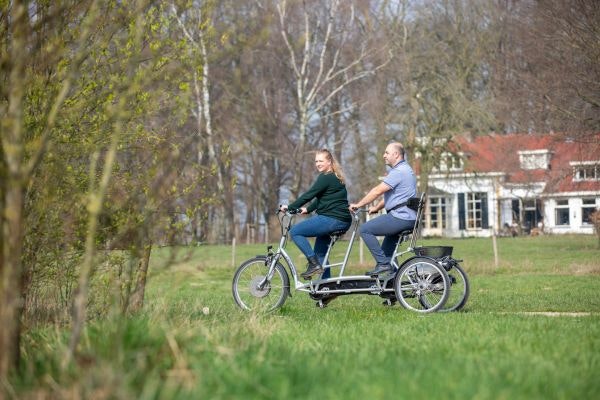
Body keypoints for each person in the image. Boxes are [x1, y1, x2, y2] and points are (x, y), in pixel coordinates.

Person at [280, 149, 352, 279]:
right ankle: (327, 289)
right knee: (320, 254)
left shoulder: (326, 177)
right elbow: (323, 198)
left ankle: (313, 264)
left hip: (332, 219)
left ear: (329, 162)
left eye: (321, 161)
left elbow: (310, 194)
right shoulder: (334, 176)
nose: (318, 164)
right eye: (316, 161)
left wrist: (290, 207)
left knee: (295, 231)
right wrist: (308, 209)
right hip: (341, 220)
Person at [349, 142, 417, 276]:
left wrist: (359, 204)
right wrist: (376, 207)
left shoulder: (398, 172)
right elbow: (394, 196)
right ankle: (393, 289)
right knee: (388, 254)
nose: (383, 155)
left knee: (365, 229)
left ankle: (383, 264)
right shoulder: (406, 170)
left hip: (400, 217)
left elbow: (377, 191)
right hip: (407, 217)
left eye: (386, 153)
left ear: (396, 154)